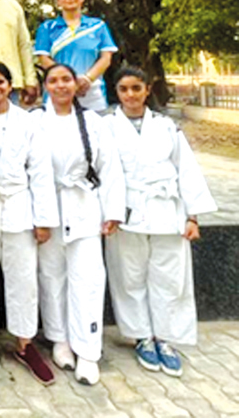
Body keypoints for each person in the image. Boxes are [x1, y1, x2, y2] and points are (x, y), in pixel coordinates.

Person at [104, 67, 217, 377]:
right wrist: (109, 214)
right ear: (117, 92)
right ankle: (141, 336)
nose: (130, 95)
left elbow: (187, 169)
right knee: (129, 276)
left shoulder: (166, 126)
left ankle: (166, 337)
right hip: (127, 212)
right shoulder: (108, 126)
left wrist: (192, 216)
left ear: (146, 89)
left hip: (168, 210)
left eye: (136, 88)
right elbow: (106, 173)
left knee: (169, 277)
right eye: (124, 89)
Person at [0, 62, 58, 385]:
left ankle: (24, 343)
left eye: (0, 82)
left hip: (20, 208)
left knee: (23, 278)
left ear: (11, 85)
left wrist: (43, 220)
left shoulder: (27, 121)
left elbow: (41, 171)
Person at [34, 63, 125, 386]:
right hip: (47, 209)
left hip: (85, 207)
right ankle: (59, 338)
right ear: (45, 86)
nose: (60, 86)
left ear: (76, 85)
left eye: (65, 80)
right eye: (53, 80)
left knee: (87, 279)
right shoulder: (35, 121)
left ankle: (87, 349)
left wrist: (113, 210)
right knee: (51, 274)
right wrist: (37, 216)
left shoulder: (93, 122)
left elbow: (109, 166)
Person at [35, 0, 119, 111]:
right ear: (58, 1)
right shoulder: (47, 28)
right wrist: (68, 80)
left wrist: (86, 79)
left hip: (92, 92)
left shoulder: (97, 26)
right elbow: (43, 59)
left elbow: (106, 58)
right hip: (57, 90)